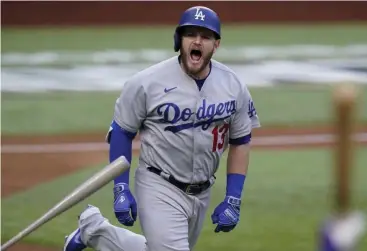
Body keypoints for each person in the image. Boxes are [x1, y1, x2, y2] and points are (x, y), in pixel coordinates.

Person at [63, 5, 260, 251]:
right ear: (180, 39)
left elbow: (241, 140)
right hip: (158, 184)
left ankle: (94, 231)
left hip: (202, 191)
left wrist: (233, 197)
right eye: (191, 34)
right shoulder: (147, 82)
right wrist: (121, 187)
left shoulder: (233, 86)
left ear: (216, 44)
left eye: (205, 36)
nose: (197, 41)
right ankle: (94, 231)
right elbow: (122, 131)